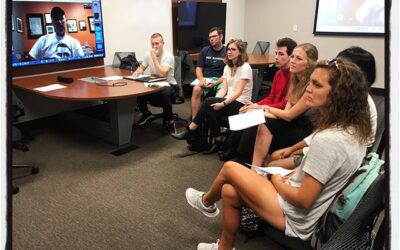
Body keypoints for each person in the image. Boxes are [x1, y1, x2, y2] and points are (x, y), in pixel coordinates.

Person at [185, 58, 372, 250]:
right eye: (310, 82)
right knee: (229, 192)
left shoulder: (329, 140)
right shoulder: (353, 130)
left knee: (231, 167)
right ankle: (223, 247)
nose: (308, 89)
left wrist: (275, 179)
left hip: (296, 217)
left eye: (317, 85)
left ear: (339, 94)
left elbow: (303, 200)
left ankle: (206, 202)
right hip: (302, 207)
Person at [268, 46, 378, 169]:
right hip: (322, 144)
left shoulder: (356, 105)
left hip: (339, 155)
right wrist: (294, 149)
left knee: (273, 164)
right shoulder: (340, 99)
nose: (309, 89)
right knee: (275, 155)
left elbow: (339, 146)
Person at [218, 37, 297, 161]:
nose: (276, 57)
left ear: (291, 56)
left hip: (277, 112)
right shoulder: (279, 73)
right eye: (276, 53)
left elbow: (284, 104)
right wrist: (254, 104)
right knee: (245, 111)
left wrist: (259, 107)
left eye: (281, 54)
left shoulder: (293, 77)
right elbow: (271, 97)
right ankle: (231, 149)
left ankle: (241, 155)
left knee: (250, 115)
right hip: (271, 108)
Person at [184, 39, 253, 154]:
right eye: (228, 49)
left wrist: (223, 103)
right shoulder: (227, 67)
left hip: (241, 103)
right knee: (210, 106)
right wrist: (216, 100)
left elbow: (239, 92)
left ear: (240, 52)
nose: (229, 52)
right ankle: (218, 140)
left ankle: (191, 129)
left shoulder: (245, 67)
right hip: (229, 100)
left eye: (233, 49)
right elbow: (224, 88)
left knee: (208, 102)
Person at [171, 27, 226, 140]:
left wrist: (215, 83)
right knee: (196, 89)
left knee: (217, 96)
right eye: (210, 37)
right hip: (206, 78)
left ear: (221, 37)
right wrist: (201, 79)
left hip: (221, 79)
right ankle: (195, 120)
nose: (211, 39)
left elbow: (227, 74)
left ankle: (213, 120)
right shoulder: (205, 50)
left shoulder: (226, 52)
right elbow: (198, 69)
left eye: (214, 36)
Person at [133, 33, 177, 132]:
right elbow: (142, 67)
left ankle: (169, 120)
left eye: (157, 44)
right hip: (154, 83)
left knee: (165, 93)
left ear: (163, 43)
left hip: (169, 84)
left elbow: (162, 73)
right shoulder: (148, 54)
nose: (154, 46)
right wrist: (137, 72)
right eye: (152, 44)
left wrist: (154, 59)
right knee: (138, 88)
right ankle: (146, 113)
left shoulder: (169, 56)